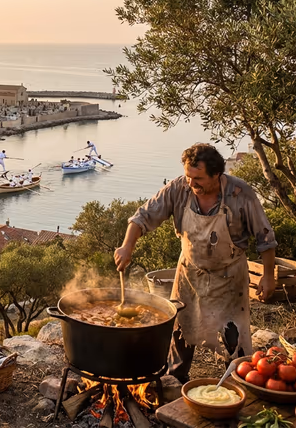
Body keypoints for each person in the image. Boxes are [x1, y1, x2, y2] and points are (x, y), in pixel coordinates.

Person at [114, 143, 277, 383]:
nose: (191, 183)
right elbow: (143, 216)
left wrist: (268, 276)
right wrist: (127, 246)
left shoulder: (240, 194)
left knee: (233, 339)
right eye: (189, 176)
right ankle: (175, 381)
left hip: (229, 277)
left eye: (198, 178)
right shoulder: (179, 188)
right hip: (189, 274)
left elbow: (266, 237)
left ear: (216, 175)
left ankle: (233, 385)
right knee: (181, 331)